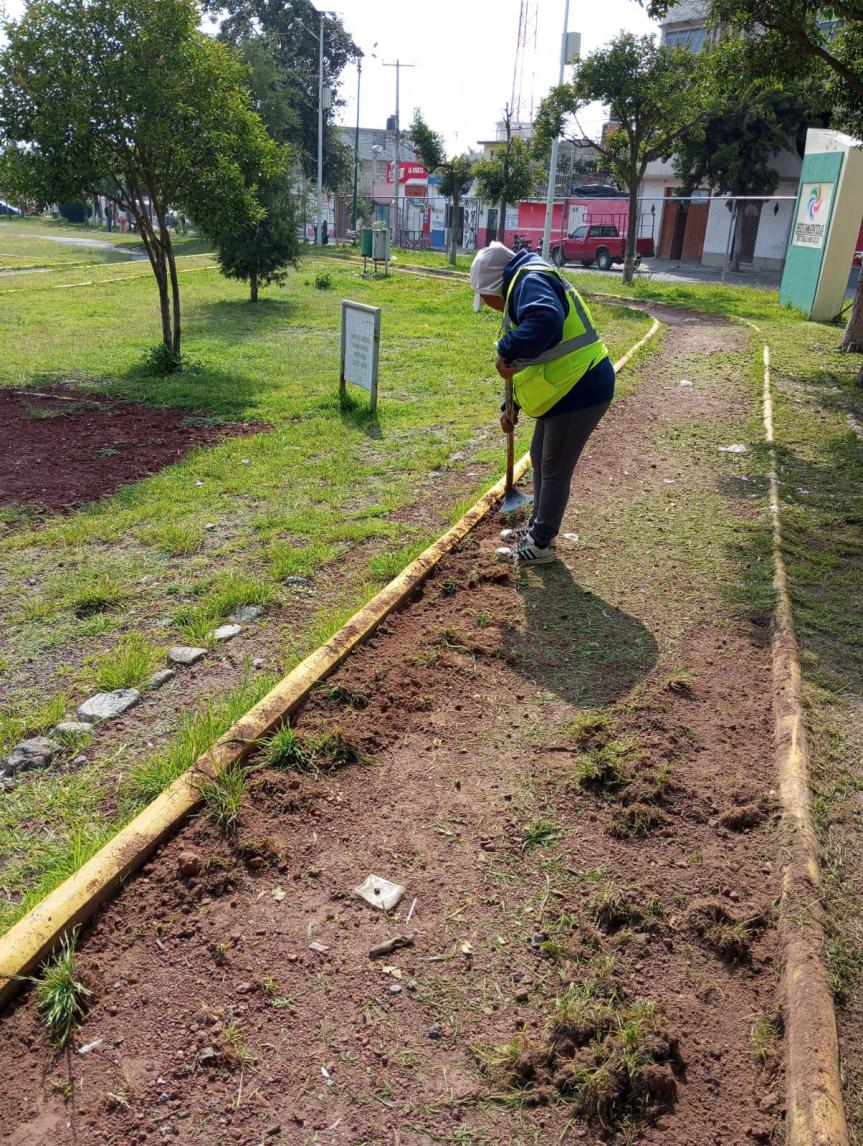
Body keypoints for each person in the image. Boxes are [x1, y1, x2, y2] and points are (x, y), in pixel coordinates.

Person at [470, 241, 615, 565]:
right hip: (565, 386)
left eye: (485, 297)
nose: (490, 305)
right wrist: (511, 407)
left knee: (554, 467)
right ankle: (537, 527)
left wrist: (506, 347)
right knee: (540, 456)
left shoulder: (528, 281)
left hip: (581, 386)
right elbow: (536, 357)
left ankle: (541, 544)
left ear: (494, 286)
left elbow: (546, 322)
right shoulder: (523, 284)